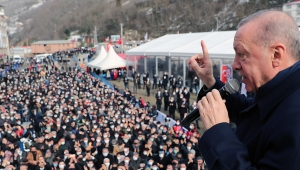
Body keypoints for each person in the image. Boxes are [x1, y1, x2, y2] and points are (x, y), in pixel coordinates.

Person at [189, 10, 300, 169]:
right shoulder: (285, 93)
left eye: (242, 54)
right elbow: (253, 112)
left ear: (276, 54)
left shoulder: (295, 124)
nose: (235, 65)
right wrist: (210, 81)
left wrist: (219, 132)